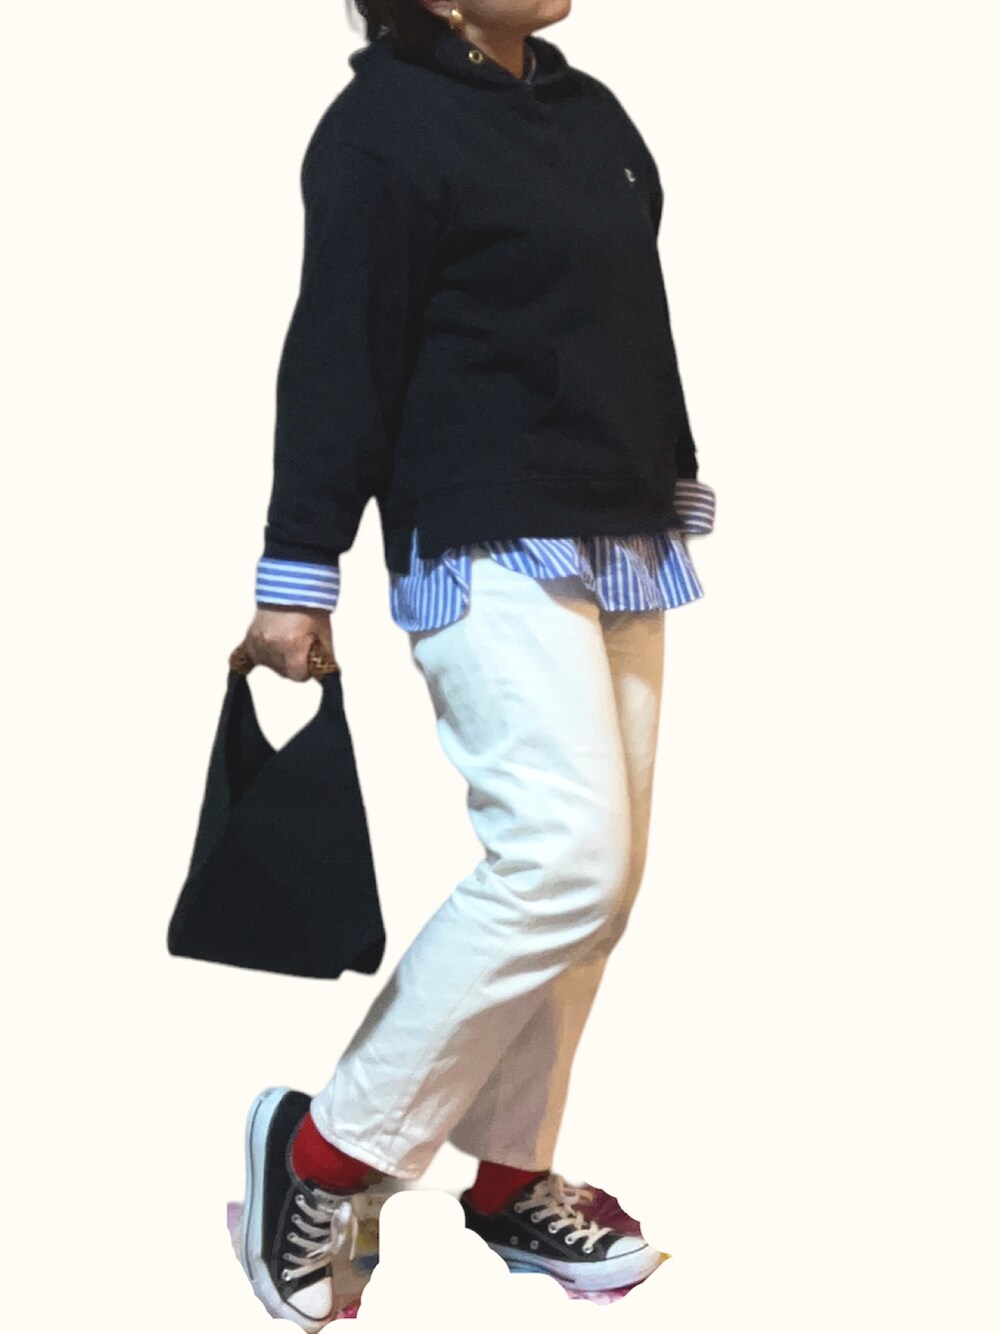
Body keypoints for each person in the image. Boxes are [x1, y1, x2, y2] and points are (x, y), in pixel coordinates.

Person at [237, 1, 716, 1326]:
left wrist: (666, 478)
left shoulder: (585, 110)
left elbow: (629, 322)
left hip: (616, 528)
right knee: (562, 860)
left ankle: (509, 1177)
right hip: (484, 532)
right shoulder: (382, 128)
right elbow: (336, 355)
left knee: (600, 887)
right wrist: (297, 568)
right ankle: (322, 1154)